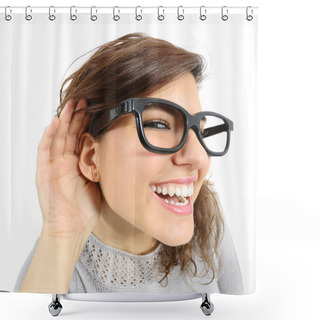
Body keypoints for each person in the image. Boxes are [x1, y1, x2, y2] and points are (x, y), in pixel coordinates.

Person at [14, 33, 243, 294]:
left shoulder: (207, 219)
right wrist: (61, 236)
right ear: (91, 157)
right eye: (158, 124)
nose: (199, 157)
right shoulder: (53, 266)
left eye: (198, 132)